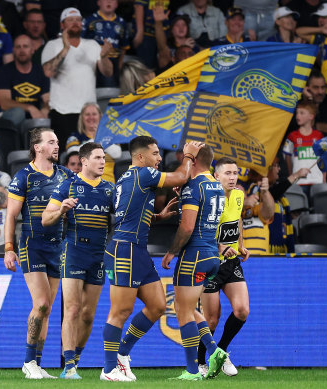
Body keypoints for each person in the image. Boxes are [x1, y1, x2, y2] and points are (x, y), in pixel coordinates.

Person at [100, 136, 202, 381]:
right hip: (124, 250)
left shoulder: (126, 178)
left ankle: (122, 354)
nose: (159, 158)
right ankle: (108, 370)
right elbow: (181, 177)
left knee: (157, 305)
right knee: (120, 311)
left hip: (137, 250)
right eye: (155, 153)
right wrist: (188, 155)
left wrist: (157, 216)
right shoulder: (144, 174)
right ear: (140, 156)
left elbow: (129, 214)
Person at [4, 127, 73, 379]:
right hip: (32, 246)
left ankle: (37, 364)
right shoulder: (23, 176)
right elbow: (11, 216)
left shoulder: (65, 174)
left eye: (57, 141)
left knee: (47, 309)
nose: (57, 146)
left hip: (58, 248)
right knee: (41, 304)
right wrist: (9, 249)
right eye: (51, 142)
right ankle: (27, 362)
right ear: (38, 147)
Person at [42, 142, 114, 379]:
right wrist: (61, 209)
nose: (102, 161)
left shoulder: (109, 190)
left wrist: (157, 215)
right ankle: (69, 366)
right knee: (71, 310)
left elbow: (127, 216)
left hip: (98, 256)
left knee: (88, 315)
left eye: (103, 157)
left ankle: (77, 358)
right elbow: (45, 218)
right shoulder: (68, 185)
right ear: (84, 161)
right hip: (73, 252)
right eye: (97, 157)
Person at [160, 146, 229, 381]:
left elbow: (188, 227)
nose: (184, 161)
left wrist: (171, 252)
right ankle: (215, 351)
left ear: (196, 161)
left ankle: (192, 371)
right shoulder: (217, 185)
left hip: (194, 255)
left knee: (183, 312)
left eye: (189, 157)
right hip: (211, 256)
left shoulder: (194, 186)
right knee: (191, 310)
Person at [196, 157, 249, 377]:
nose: (232, 177)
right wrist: (219, 246)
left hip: (231, 262)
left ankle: (222, 352)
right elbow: (198, 230)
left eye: (235, 173)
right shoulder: (208, 198)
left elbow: (236, 220)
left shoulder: (238, 195)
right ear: (216, 176)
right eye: (227, 173)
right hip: (210, 264)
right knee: (211, 319)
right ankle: (201, 363)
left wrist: (241, 244)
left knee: (242, 310)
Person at [42, 7, 113, 142]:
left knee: (90, 155)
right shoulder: (52, 45)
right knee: (64, 157)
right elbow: (48, 71)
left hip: (88, 113)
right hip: (62, 112)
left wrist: (104, 57)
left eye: (78, 20)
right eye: (70, 20)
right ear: (62, 25)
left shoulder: (92, 45)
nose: (75, 23)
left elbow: (108, 72)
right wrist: (65, 49)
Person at [0, 34, 50, 127]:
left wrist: (45, 109)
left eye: (25, 46)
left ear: (32, 50)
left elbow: (47, 99)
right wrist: (30, 108)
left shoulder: (40, 71)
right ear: (13, 50)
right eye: (18, 47)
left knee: (52, 113)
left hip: (35, 117)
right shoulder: (4, 71)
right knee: (18, 113)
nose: (22, 50)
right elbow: (4, 103)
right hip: (12, 117)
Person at [65, 102, 121, 183]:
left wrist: (98, 139)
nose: (91, 117)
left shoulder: (110, 136)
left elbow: (117, 153)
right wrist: (98, 141)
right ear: (82, 118)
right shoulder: (75, 137)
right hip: (84, 184)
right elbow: (72, 152)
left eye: (94, 114)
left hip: (108, 184)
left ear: (100, 116)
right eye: (87, 114)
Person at [82, 0, 130, 87]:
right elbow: (81, 43)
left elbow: (124, 47)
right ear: (99, 2)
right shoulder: (89, 20)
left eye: (112, 0)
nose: (109, 2)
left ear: (116, 4)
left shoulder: (121, 22)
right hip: (93, 61)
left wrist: (119, 66)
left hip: (114, 60)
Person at [283, 99, 324, 196]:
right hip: (298, 182)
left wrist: (324, 179)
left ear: (311, 116)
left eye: (302, 113)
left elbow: (323, 159)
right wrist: (292, 175)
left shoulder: (319, 136)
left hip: (317, 181)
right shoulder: (292, 136)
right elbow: (287, 157)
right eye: (297, 113)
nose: (297, 116)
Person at [241, 168, 275, 254]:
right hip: (238, 262)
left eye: (239, 189)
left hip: (261, 262)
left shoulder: (256, 207)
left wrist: (265, 192)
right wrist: (241, 205)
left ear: (245, 192)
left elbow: (269, 212)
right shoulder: (225, 211)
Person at [133, 0, 170, 69]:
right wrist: (139, 32)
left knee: (164, 56)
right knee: (147, 66)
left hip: (161, 29)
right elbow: (138, 6)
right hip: (146, 35)